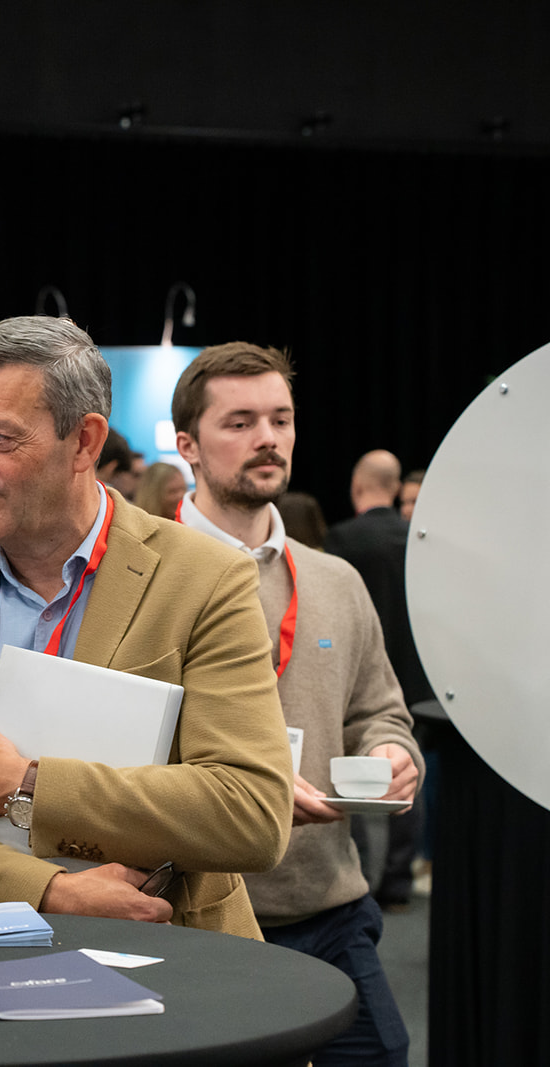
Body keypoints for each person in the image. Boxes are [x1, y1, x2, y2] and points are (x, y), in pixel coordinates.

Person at [0, 316, 292, 937]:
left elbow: (251, 812)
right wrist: (50, 891)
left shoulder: (205, 580)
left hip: (168, 950)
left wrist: (27, 785)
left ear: (84, 441)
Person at [172, 343, 422, 1066]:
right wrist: (243, 791)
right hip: (194, 916)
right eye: (240, 422)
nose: (268, 438)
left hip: (328, 905)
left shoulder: (334, 579)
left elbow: (380, 709)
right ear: (188, 445)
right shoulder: (146, 575)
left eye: (280, 419)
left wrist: (392, 753)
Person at [322, 449, 434, 910]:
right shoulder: (421, 542)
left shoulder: (342, 540)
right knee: (406, 777)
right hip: (417, 678)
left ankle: (360, 878)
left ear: (357, 486)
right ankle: (399, 882)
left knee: (347, 779)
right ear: (396, 489)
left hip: (357, 677)